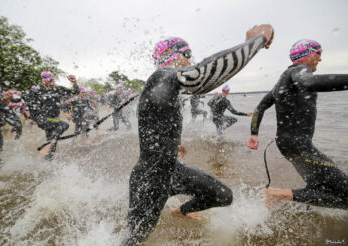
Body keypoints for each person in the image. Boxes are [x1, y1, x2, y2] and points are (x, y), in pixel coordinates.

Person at [123, 24, 274, 245]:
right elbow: (201, 75)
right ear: (174, 56)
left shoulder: (165, 84)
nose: (190, 60)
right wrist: (256, 41)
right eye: (188, 55)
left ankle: (181, 211)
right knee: (134, 240)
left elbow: (156, 121)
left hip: (172, 169)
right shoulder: (163, 75)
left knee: (222, 195)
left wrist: (175, 142)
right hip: (151, 178)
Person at [247, 39, 348, 209]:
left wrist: (253, 133)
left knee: (321, 188)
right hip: (298, 145)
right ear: (307, 55)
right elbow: (308, 82)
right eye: (318, 54)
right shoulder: (300, 70)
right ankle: (277, 194)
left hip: (289, 145)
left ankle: (284, 197)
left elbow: (259, 108)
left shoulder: (282, 81)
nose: (320, 59)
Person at [33, 72, 79, 160]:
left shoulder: (59, 89)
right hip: (44, 118)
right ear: (44, 81)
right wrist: (35, 119)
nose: (52, 83)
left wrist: (74, 82)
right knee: (64, 125)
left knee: (53, 146)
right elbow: (31, 105)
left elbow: (75, 92)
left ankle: (48, 162)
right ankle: (48, 145)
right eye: (49, 81)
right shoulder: (38, 91)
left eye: (53, 80)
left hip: (54, 119)